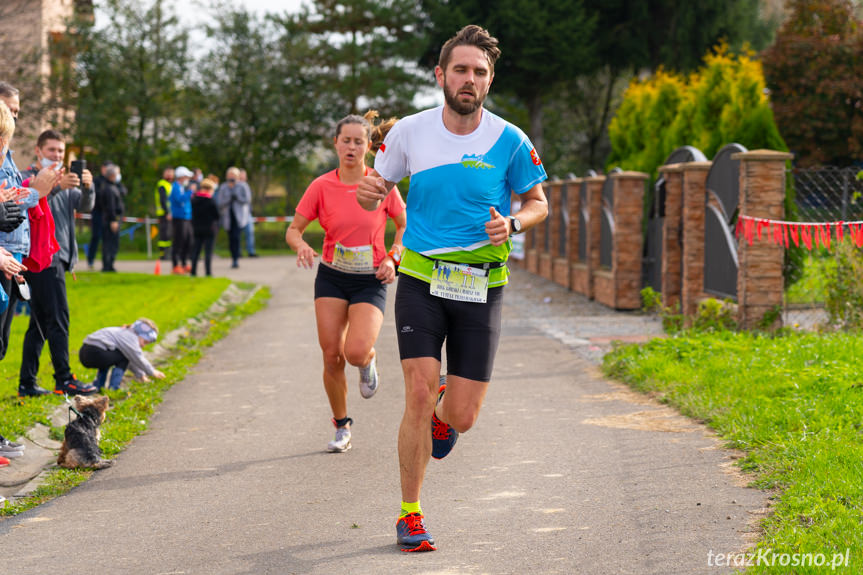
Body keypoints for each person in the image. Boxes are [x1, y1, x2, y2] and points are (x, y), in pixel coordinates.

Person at [356, 25, 549, 551]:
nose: (469, 79)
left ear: (489, 80)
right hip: (421, 278)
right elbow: (376, 193)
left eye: (479, 72)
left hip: (482, 286)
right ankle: (410, 513)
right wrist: (372, 193)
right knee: (417, 392)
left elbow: (538, 203)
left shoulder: (511, 139)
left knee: (461, 415)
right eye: (460, 69)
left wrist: (513, 224)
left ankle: (447, 413)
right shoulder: (410, 133)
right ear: (441, 75)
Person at [286, 110, 405, 453]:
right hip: (333, 276)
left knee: (354, 352)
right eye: (346, 140)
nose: (351, 146)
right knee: (330, 355)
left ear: (369, 146)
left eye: (359, 141)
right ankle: (342, 426)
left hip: (371, 279)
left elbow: (403, 225)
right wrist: (302, 244)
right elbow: (293, 230)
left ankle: (367, 362)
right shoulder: (321, 186)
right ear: (335, 143)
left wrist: (392, 257)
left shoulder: (381, 183)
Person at [18, 129, 97, 397]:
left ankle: (26, 383)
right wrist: (53, 188)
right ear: (38, 151)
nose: (57, 155)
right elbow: (27, 207)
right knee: (58, 318)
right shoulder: (27, 177)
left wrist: (88, 186)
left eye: (61, 151)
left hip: (59, 257)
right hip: (41, 258)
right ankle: (64, 379)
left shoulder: (65, 180)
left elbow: (85, 207)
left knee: (39, 323)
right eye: (52, 150)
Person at [0, 83, 61, 362]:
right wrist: (37, 192)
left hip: (12, 255)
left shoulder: (8, 155)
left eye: (16, 112)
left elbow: (9, 202)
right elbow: (9, 204)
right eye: (8, 110)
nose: (13, 117)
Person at [79, 318, 165, 391]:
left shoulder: (123, 332)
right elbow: (137, 358)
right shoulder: (130, 336)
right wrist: (152, 371)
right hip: (95, 352)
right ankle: (114, 388)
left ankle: (98, 386)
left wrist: (141, 375)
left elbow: (131, 359)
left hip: (85, 352)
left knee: (113, 357)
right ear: (139, 334)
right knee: (123, 357)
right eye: (145, 342)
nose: (143, 345)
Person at [216, 166, 251, 269]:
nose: (231, 177)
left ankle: (236, 259)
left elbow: (247, 200)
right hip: (228, 217)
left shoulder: (243, 186)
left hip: (239, 217)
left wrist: (237, 196)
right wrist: (229, 198)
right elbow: (220, 202)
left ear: (237, 176)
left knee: (236, 237)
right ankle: (233, 256)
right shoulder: (223, 187)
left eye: (233, 175)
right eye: (230, 175)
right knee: (231, 239)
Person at [190, 178, 219, 277]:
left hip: (197, 228)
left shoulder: (194, 200)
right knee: (208, 252)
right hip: (209, 229)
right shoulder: (211, 201)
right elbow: (217, 215)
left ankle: (193, 271)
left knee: (196, 251)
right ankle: (208, 272)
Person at [87, 161, 113, 269]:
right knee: (96, 236)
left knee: (107, 238)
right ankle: (91, 260)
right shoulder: (97, 181)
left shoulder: (111, 181)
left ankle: (106, 261)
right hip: (98, 213)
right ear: (103, 168)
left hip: (107, 213)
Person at [100, 164, 125, 272]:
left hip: (110, 219)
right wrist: (113, 220)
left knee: (112, 243)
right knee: (110, 243)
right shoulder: (109, 188)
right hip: (110, 220)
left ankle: (109, 264)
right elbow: (111, 206)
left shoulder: (112, 186)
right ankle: (107, 265)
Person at [170, 166, 194, 274]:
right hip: (179, 218)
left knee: (188, 241)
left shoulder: (183, 188)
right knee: (179, 241)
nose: (188, 179)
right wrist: (190, 192)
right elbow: (179, 199)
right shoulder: (175, 187)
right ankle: (175, 265)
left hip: (187, 217)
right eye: (186, 177)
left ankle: (184, 263)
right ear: (181, 177)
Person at [154, 167, 173, 261]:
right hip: (164, 214)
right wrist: (167, 212)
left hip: (169, 214)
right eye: (167, 173)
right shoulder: (162, 184)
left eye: (171, 173)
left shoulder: (170, 185)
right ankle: (163, 254)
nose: (169, 175)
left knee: (169, 234)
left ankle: (168, 253)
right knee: (164, 234)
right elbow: (163, 200)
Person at [239, 169, 258, 257]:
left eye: (245, 175)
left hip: (247, 214)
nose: (244, 177)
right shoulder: (237, 186)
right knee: (238, 234)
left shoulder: (246, 185)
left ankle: (251, 251)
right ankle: (238, 252)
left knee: (250, 232)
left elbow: (249, 201)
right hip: (239, 214)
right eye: (242, 175)